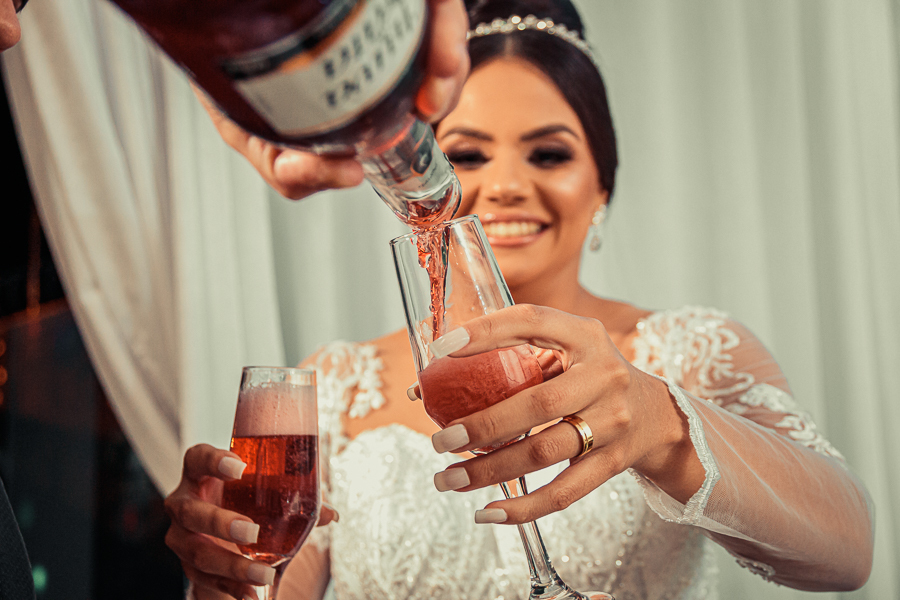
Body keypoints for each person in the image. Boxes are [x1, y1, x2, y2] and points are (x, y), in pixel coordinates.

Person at [162, 0, 871, 599]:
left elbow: (850, 553)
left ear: (602, 184)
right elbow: (269, 584)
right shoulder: (337, 383)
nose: (504, 185)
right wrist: (224, 571)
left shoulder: (690, 350)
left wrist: (661, 422)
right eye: (468, 155)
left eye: (549, 154)